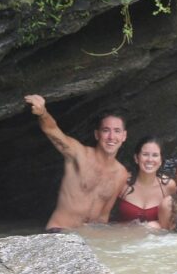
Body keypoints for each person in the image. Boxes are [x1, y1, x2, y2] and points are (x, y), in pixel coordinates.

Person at [24, 94, 129, 232]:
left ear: (124, 136)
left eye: (117, 131)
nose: (111, 137)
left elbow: (104, 216)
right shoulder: (79, 154)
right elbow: (53, 131)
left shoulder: (121, 174)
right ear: (97, 134)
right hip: (60, 232)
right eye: (106, 130)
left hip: (89, 237)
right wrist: (43, 113)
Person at [115, 135, 173, 226]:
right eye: (145, 154)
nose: (150, 159)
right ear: (136, 158)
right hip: (120, 234)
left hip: (155, 235)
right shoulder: (122, 182)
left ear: (161, 160)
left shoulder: (169, 186)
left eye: (155, 155)